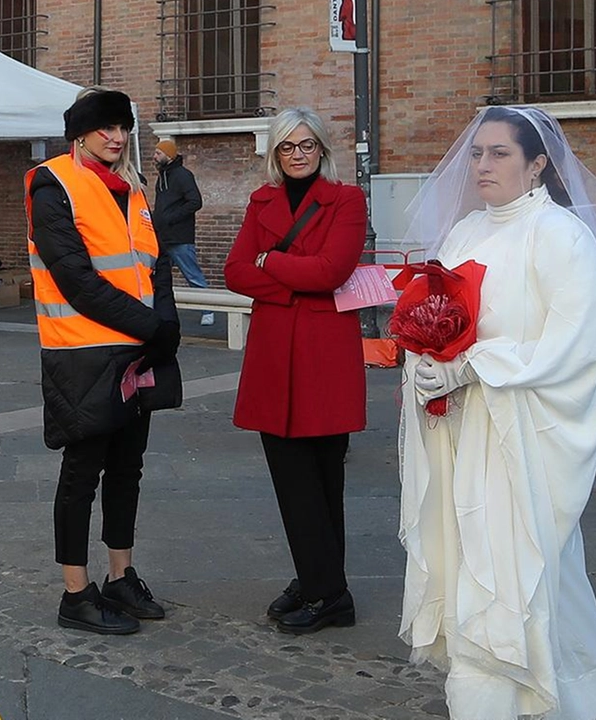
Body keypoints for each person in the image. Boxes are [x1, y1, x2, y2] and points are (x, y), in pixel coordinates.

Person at [396, 106, 596, 720]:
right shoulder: (464, 233)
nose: (481, 164)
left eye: (499, 153)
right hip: (465, 428)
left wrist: (476, 365)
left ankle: (522, 695)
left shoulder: (562, 236)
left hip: (522, 432)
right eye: (476, 152)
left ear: (537, 164)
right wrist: (425, 366)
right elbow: (433, 319)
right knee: (476, 555)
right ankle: (537, 690)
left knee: (524, 564)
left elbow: (574, 343)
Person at [26, 87, 180, 635]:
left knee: (127, 468)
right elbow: (75, 277)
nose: (116, 139)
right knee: (81, 474)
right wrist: (151, 326)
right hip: (82, 351)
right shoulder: (52, 183)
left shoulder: (133, 187)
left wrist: (166, 322)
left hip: (135, 350)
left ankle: (121, 576)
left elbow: (153, 263)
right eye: (105, 130)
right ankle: (76, 593)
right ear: (80, 134)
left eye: (123, 129)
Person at [223, 107, 368, 635]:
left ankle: (326, 591)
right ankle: (320, 582)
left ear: (323, 150)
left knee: (324, 479)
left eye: (307, 145)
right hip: (273, 355)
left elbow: (334, 270)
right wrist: (293, 281)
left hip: (323, 357)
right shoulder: (260, 201)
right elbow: (234, 269)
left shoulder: (347, 200)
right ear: (275, 154)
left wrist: (271, 264)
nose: (298, 154)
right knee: (291, 478)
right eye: (288, 146)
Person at [151, 138, 213, 327]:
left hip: (179, 237)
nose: (154, 156)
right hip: (162, 236)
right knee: (158, 275)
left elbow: (195, 201)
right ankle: (159, 310)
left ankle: (208, 310)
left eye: (158, 153)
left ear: (168, 156)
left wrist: (171, 218)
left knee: (192, 274)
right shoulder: (162, 176)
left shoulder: (183, 175)